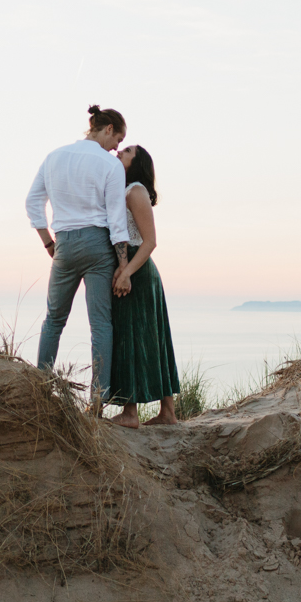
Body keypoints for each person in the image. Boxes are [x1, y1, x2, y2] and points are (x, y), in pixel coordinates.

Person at [26, 105, 131, 411]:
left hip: (65, 245)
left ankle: (41, 389)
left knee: (53, 320)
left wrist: (49, 244)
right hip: (99, 244)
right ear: (108, 128)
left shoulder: (54, 156)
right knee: (101, 325)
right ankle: (97, 402)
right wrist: (123, 265)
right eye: (118, 139)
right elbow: (116, 220)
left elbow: (32, 201)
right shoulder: (110, 166)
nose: (117, 148)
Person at [107, 144, 182, 428]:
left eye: (125, 151)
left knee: (135, 336)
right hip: (132, 270)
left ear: (137, 163)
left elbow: (149, 241)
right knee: (151, 336)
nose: (119, 153)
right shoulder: (125, 191)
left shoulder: (135, 191)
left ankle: (131, 413)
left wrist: (126, 273)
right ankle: (168, 413)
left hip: (138, 271)